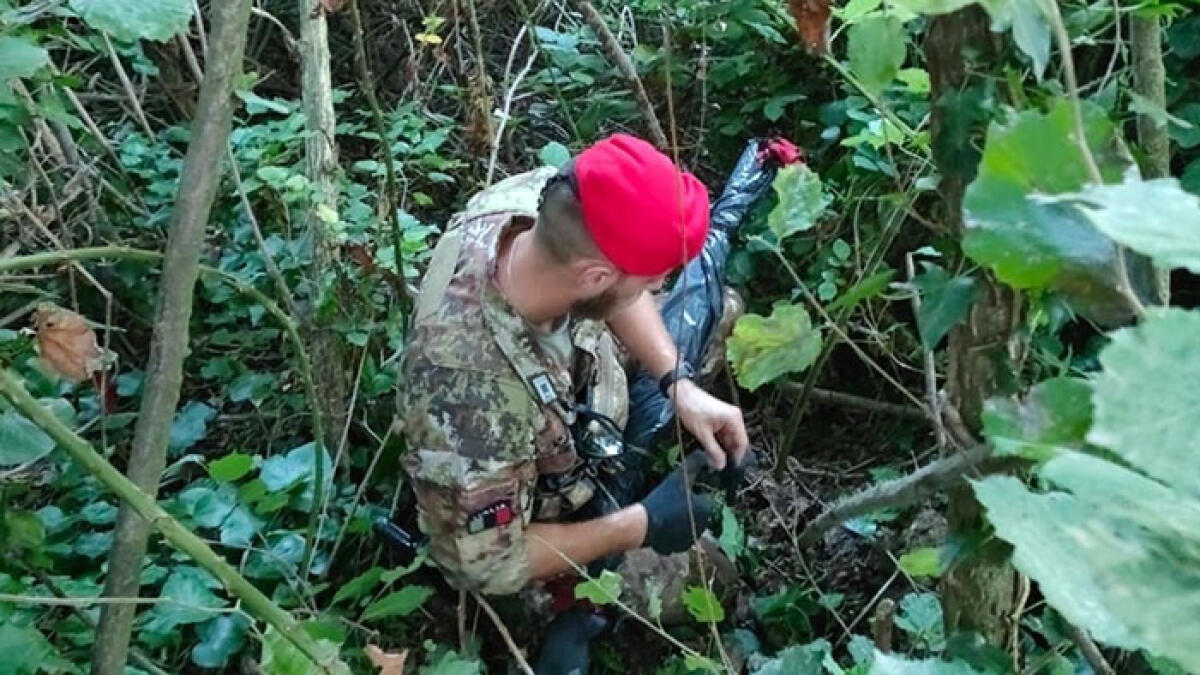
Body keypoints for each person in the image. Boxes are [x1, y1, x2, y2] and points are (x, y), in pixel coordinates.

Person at [395, 134, 793, 672]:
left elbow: (615, 294)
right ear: (594, 277)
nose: (657, 289)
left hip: (571, 393)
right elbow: (484, 563)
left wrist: (679, 385)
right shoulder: (468, 397)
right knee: (714, 582)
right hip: (513, 509)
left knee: (717, 309)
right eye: (652, 281)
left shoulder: (540, 204)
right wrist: (640, 524)